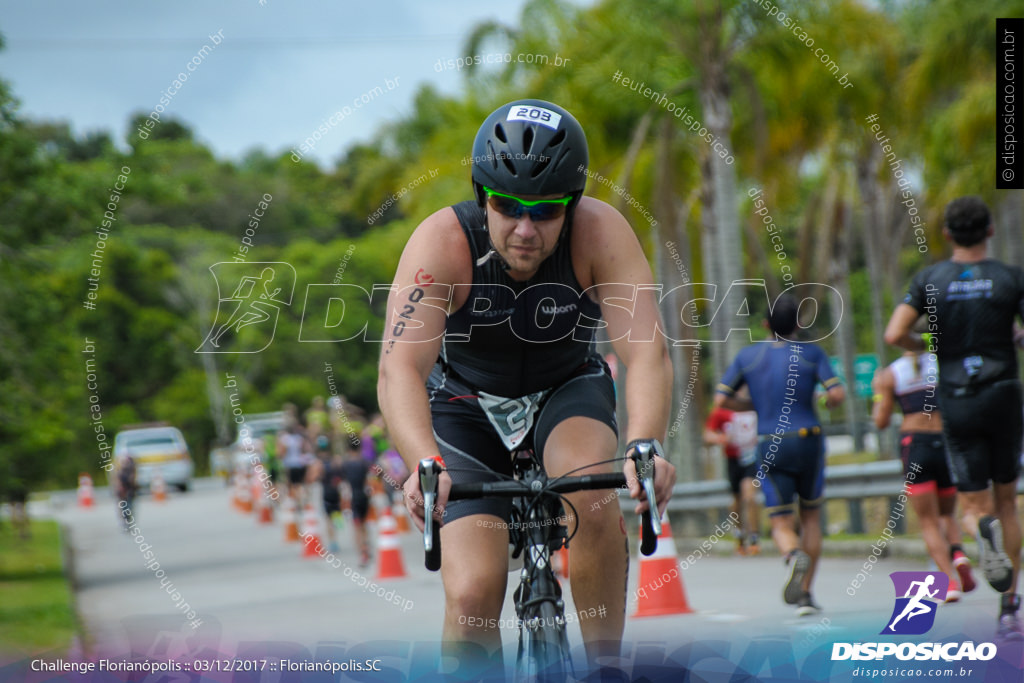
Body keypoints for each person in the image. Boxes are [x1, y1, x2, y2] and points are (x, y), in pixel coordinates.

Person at [377, 99, 675, 670]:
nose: (525, 228)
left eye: (546, 211)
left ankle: (605, 667)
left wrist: (644, 444)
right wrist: (421, 461)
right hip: (465, 405)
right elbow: (401, 368)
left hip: (565, 389)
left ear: (574, 204)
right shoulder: (443, 241)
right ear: (481, 194)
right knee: (472, 593)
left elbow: (645, 351)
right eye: (508, 207)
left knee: (590, 489)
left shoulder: (600, 232)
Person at [884, 195, 1024, 639]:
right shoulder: (1010, 278)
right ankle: (1008, 605)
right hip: (1003, 393)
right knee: (1008, 499)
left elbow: (894, 333)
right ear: (990, 231)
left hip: (958, 398)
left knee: (975, 502)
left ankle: (981, 530)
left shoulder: (931, 279)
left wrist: (928, 345)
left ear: (947, 234)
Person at [714, 294, 845, 616]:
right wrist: (827, 402)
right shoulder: (813, 354)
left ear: (765, 325)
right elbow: (836, 394)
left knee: (780, 521)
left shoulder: (748, 357)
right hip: (808, 438)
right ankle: (806, 594)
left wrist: (754, 405)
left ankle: (791, 554)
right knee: (811, 516)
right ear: (799, 324)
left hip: (770, 440)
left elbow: (720, 400)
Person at [872, 346, 976, 601]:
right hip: (945, 441)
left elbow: (881, 420)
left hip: (915, 445)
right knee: (947, 513)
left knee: (928, 521)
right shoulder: (943, 363)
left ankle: (949, 581)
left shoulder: (891, 373)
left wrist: (877, 393)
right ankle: (959, 553)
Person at [704, 405, 760, 554]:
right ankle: (740, 535)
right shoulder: (722, 412)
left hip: (752, 458)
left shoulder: (755, 405)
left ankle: (754, 538)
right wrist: (720, 438)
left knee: (749, 495)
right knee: (736, 500)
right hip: (733, 459)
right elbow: (708, 435)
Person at [338, 436, 372, 567]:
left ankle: (362, 552)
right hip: (364, 495)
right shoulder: (364, 462)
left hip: (353, 496)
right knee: (364, 523)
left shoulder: (345, 464)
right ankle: (367, 546)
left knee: (356, 525)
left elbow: (342, 483)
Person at [115, 453, 138, 531]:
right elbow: (117, 482)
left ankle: (129, 522)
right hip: (122, 493)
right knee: (124, 508)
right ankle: (126, 522)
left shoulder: (131, 470)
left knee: (130, 507)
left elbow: (133, 482)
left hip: (130, 491)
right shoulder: (119, 471)